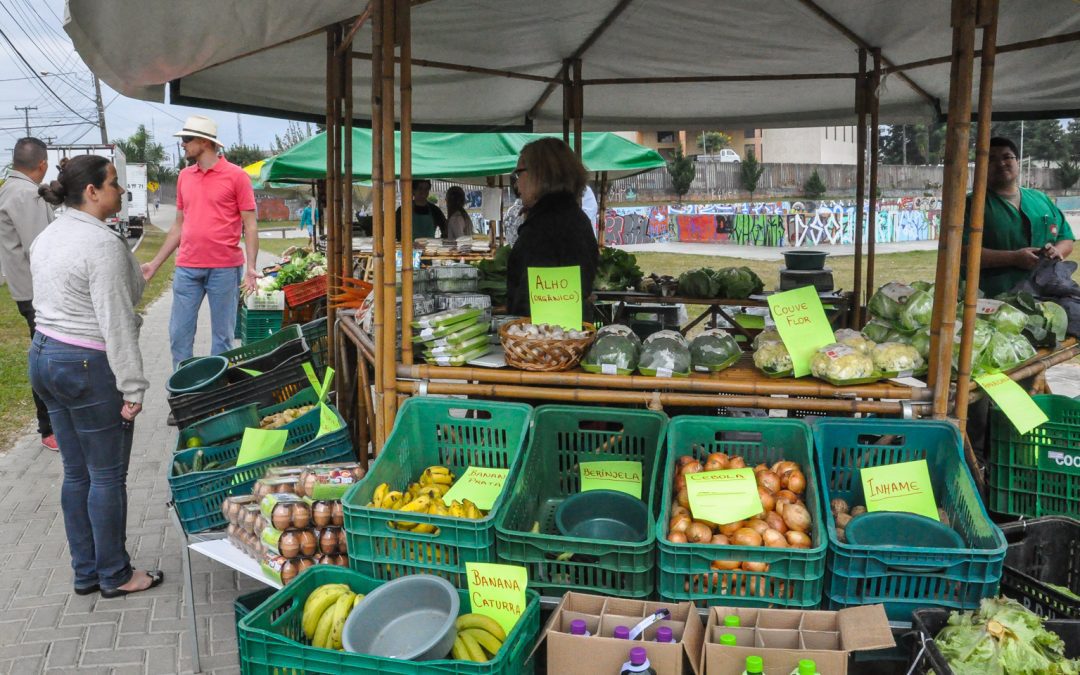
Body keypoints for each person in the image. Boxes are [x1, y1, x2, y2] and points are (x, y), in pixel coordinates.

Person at [29, 154, 163, 597]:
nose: (121, 191)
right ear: (91, 192)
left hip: (45, 355)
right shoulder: (102, 244)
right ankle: (117, 574)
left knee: (76, 473)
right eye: (113, 183)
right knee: (105, 476)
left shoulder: (49, 235)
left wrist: (132, 267)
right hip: (87, 364)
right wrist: (134, 386)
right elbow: (116, 320)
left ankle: (86, 571)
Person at [141, 115, 260, 369]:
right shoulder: (185, 176)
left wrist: (251, 266)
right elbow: (178, 226)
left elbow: (250, 225)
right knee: (179, 337)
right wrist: (155, 264)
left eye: (186, 139)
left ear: (205, 142)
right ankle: (184, 396)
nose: (182, 145)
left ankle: (216, 399)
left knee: (223, 340)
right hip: (187, 268)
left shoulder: (236, 176)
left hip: (225, 270)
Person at [0, 137, 57, 451]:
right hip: (39, 292)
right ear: (42, 165)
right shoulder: (25, 194)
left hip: (28, 290)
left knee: (45, 355)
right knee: (47, 360)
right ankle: (48, 426)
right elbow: (42, 247)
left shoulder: (11, 189)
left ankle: (53, 422)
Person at [966, 136, 1074, 297]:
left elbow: (1066, 238)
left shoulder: (1040, 199)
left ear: (1017, 162)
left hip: (1049, 293)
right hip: (995, 298)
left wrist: (1056, 251)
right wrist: (1013, 258)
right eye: (991, 159)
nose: (1001, 163)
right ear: (981, 166)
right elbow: (960, 254)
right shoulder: (970, 205)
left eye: (1007, 157)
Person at [505, 138, 599, 319]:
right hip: (563, 335)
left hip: (546, 339)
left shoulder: (546, 225)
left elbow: (531, 299)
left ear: (539, 174)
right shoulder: (573, 217)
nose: (517, 184)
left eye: (519, 174)